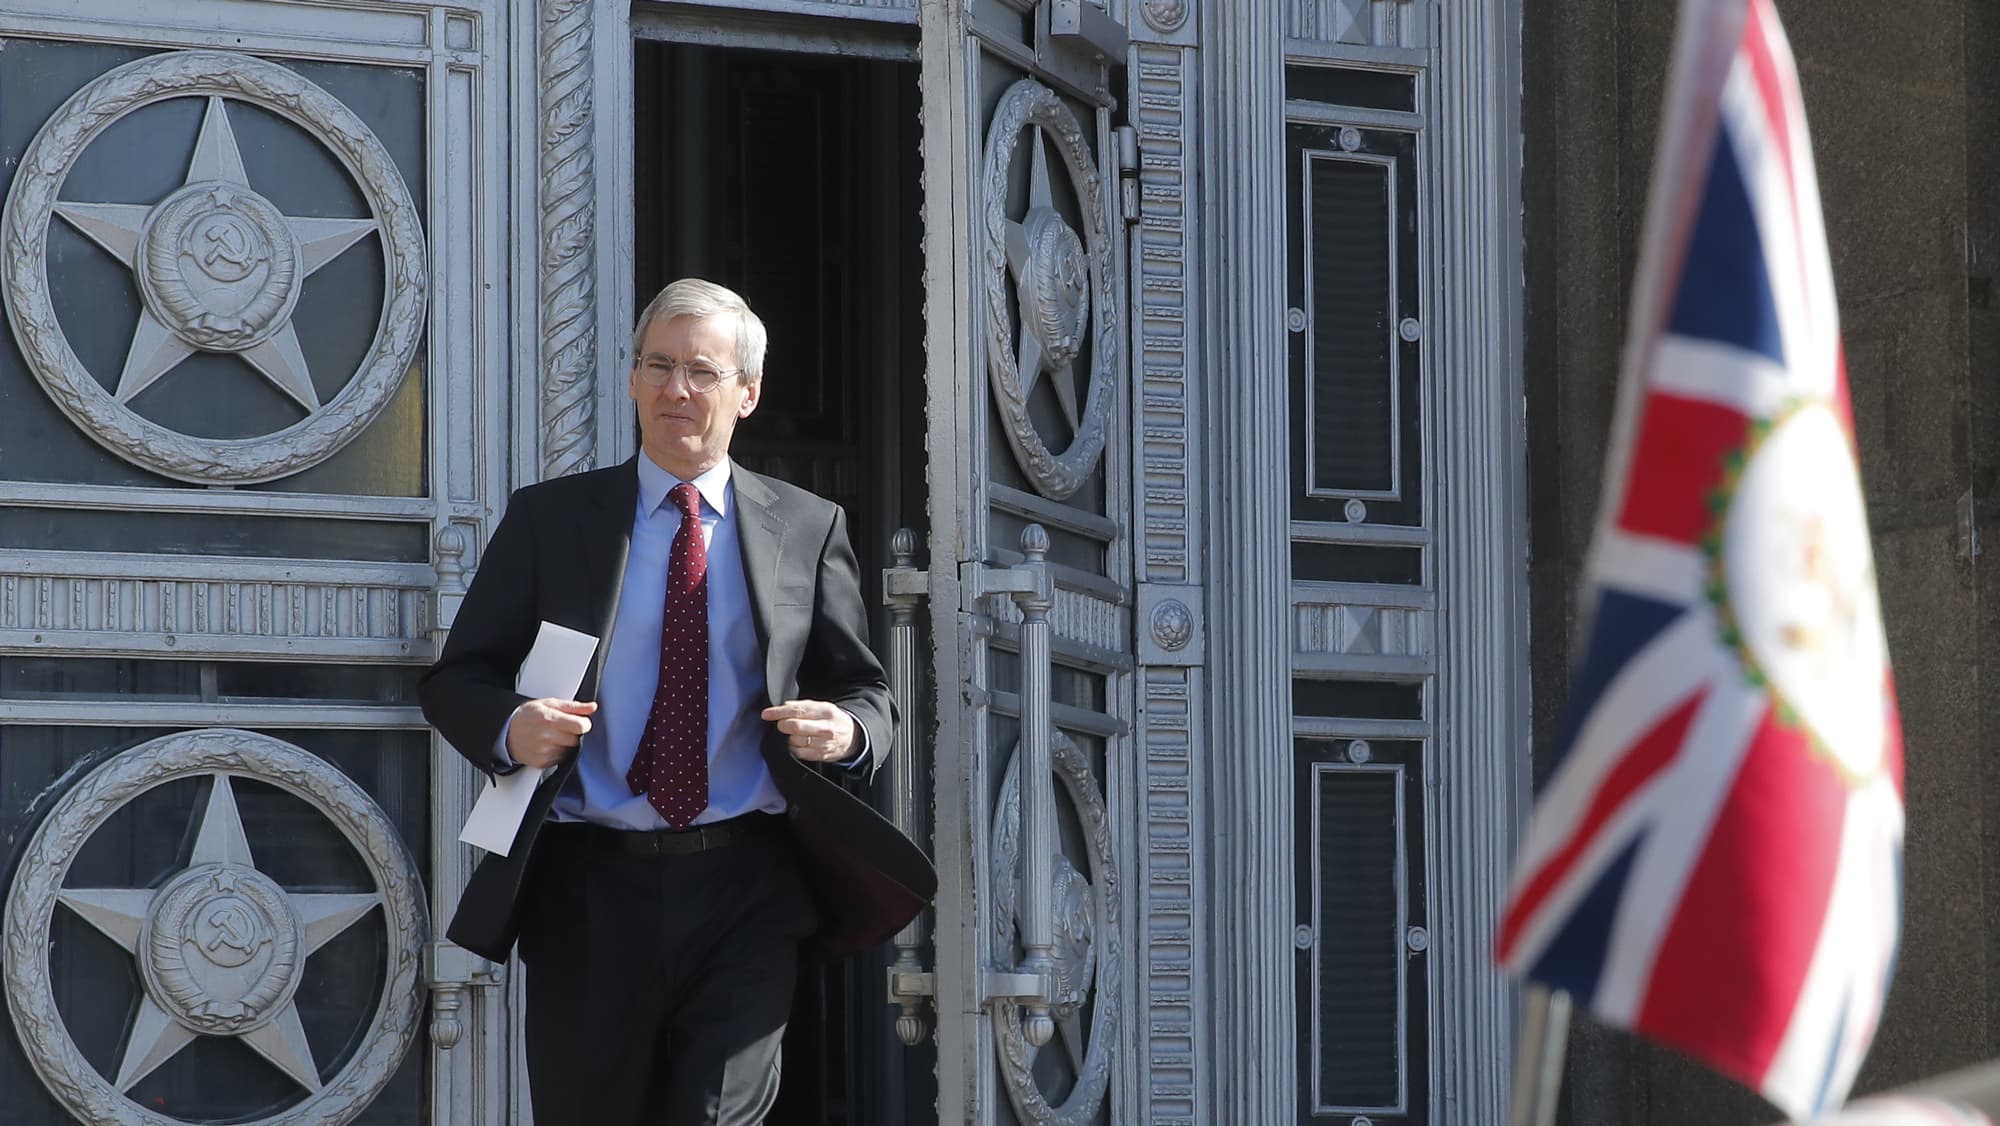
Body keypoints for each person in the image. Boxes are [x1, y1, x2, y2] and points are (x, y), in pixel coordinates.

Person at [420, 278, 935, 1125]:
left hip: (748, 884)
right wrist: (514, 726)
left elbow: (867, 692)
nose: (676, 390)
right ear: (630, 380)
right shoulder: (554, 520)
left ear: (748, 393)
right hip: (588, 883)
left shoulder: (806, 526)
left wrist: (844, 732)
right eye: (657, 366)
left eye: (701, 370)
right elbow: (456, 679)